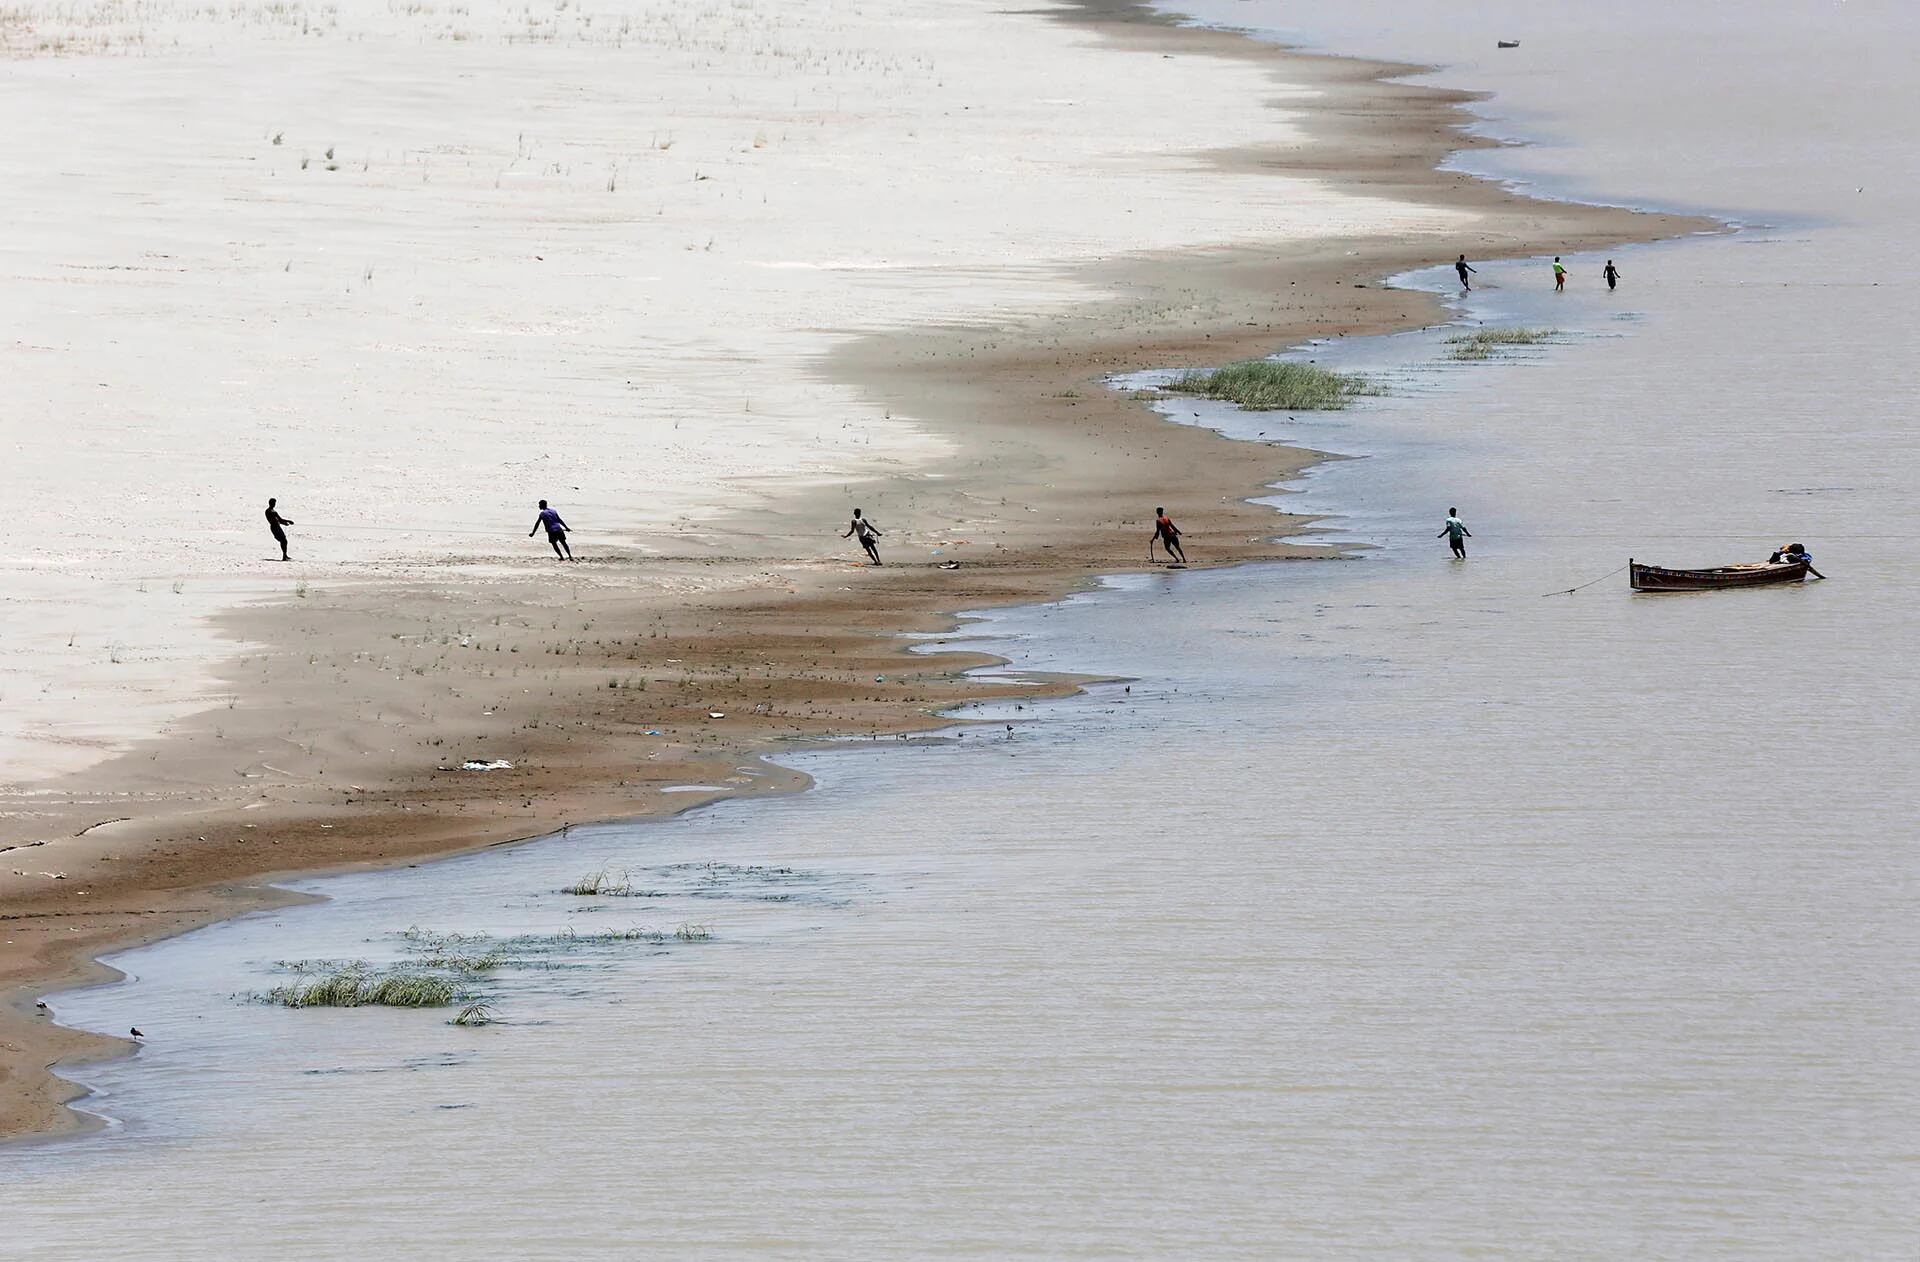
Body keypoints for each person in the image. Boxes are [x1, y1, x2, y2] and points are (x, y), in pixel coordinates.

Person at [265, 497, 294, 561]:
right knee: (283, 540)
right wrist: (284, 522)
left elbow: (280, 519)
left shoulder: (273, 511)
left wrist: (287, 521)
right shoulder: (269, 511)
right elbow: (275, 520)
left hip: (277, 527)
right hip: (274, 527)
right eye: (273, 503)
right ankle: (284, 556)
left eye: (274, 503)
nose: (274, 504)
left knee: (284, 541)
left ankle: (285, 555)